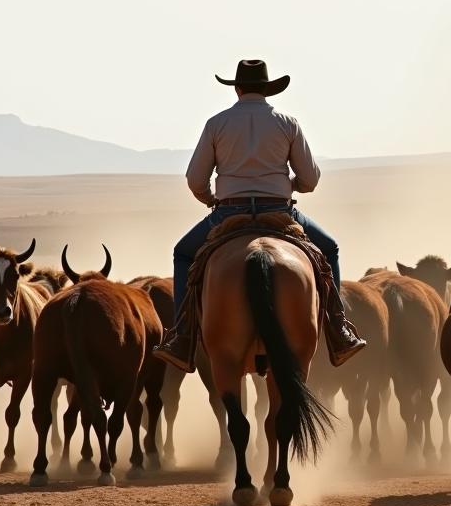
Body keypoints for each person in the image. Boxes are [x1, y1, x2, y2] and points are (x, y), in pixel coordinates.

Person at [154, 59, 366, 371]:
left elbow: (195, 179)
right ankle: (339, 329)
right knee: (329, 248)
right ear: (267, 90)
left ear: (237, 88)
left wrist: (212, 198)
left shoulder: (217, 124)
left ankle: (182, 335)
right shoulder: (287, 123)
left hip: (228, 211)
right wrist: (288, 184)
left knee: (183, 253)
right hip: (279, 209)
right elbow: (310, 179)